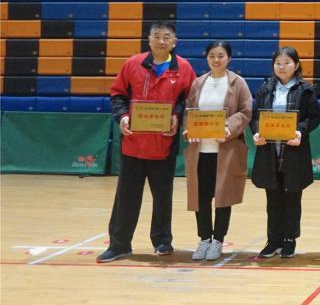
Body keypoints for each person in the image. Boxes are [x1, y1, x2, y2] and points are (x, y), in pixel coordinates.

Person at [96, 21, 197, 263]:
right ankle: (119, 245)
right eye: (157, 36)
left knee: (162, 197)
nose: (161, 41)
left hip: (164, 144)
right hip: (133, 143)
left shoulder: (184, 68)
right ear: (149, 40)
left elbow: (190, 100)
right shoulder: (132, 64)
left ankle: (162, 241)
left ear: (174, 41)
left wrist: (177, 117)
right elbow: (117, 94)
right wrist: (122, 117)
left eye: (167, 37)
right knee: (126, 197)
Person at [183, 41, 253, 261]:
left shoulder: (238, 82)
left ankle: (218, 240)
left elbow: (246, 111)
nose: (216, 60)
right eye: (212, 55)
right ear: (206, 58)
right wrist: (189, 129)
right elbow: (189, 111)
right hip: (200, 151)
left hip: (226, 150)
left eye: (221, 55)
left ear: (229, 58)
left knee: (223, 197)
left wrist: (228, 127)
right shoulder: (198, 83)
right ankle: (204, 239)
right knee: (200, 197)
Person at [250, 47, 320, 258]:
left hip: (293, 152)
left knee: (292, 199)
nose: (282, 67)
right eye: (278, 63)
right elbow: (255, 117)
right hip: (270, 152)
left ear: (296, 65)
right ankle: (273, 240)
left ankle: (289, 240)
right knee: (272, 200)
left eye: (287, 62)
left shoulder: (306, 90)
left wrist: (300, 131)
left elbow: (314, 118)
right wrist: (256, 132)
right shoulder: (265, 89)